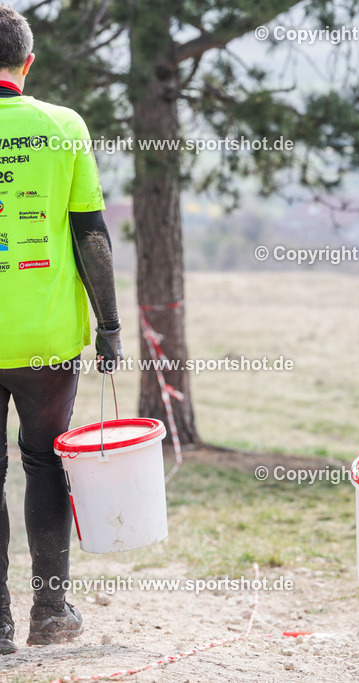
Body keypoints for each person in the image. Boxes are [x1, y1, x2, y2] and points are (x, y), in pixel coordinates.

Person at [0, 6, 123, 654]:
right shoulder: (63, 125)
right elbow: (90, 235)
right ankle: (49, 612)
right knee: (45, 461)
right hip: (44, 340)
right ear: (28, 62)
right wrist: (110, 325)